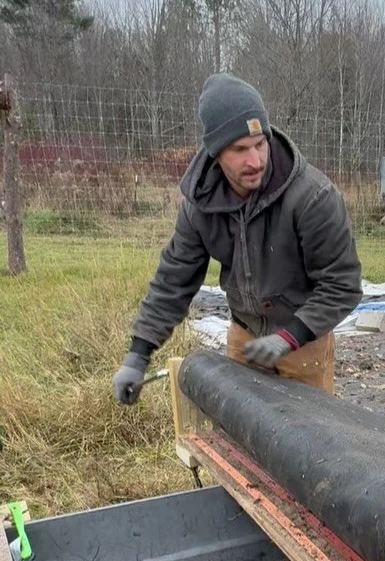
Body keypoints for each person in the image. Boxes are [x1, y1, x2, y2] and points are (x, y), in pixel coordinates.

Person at [113, 73, 362, 402]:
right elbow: (174, 280)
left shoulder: (312, 198)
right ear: (216, 153)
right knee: (241, 438)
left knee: (303, 443)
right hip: (245, 338)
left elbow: (342, 284)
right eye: (240, 149)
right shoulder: (201, 205)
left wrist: (289, 336)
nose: (255, 160)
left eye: (261, 144)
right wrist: (138, 354)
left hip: (304, 340)